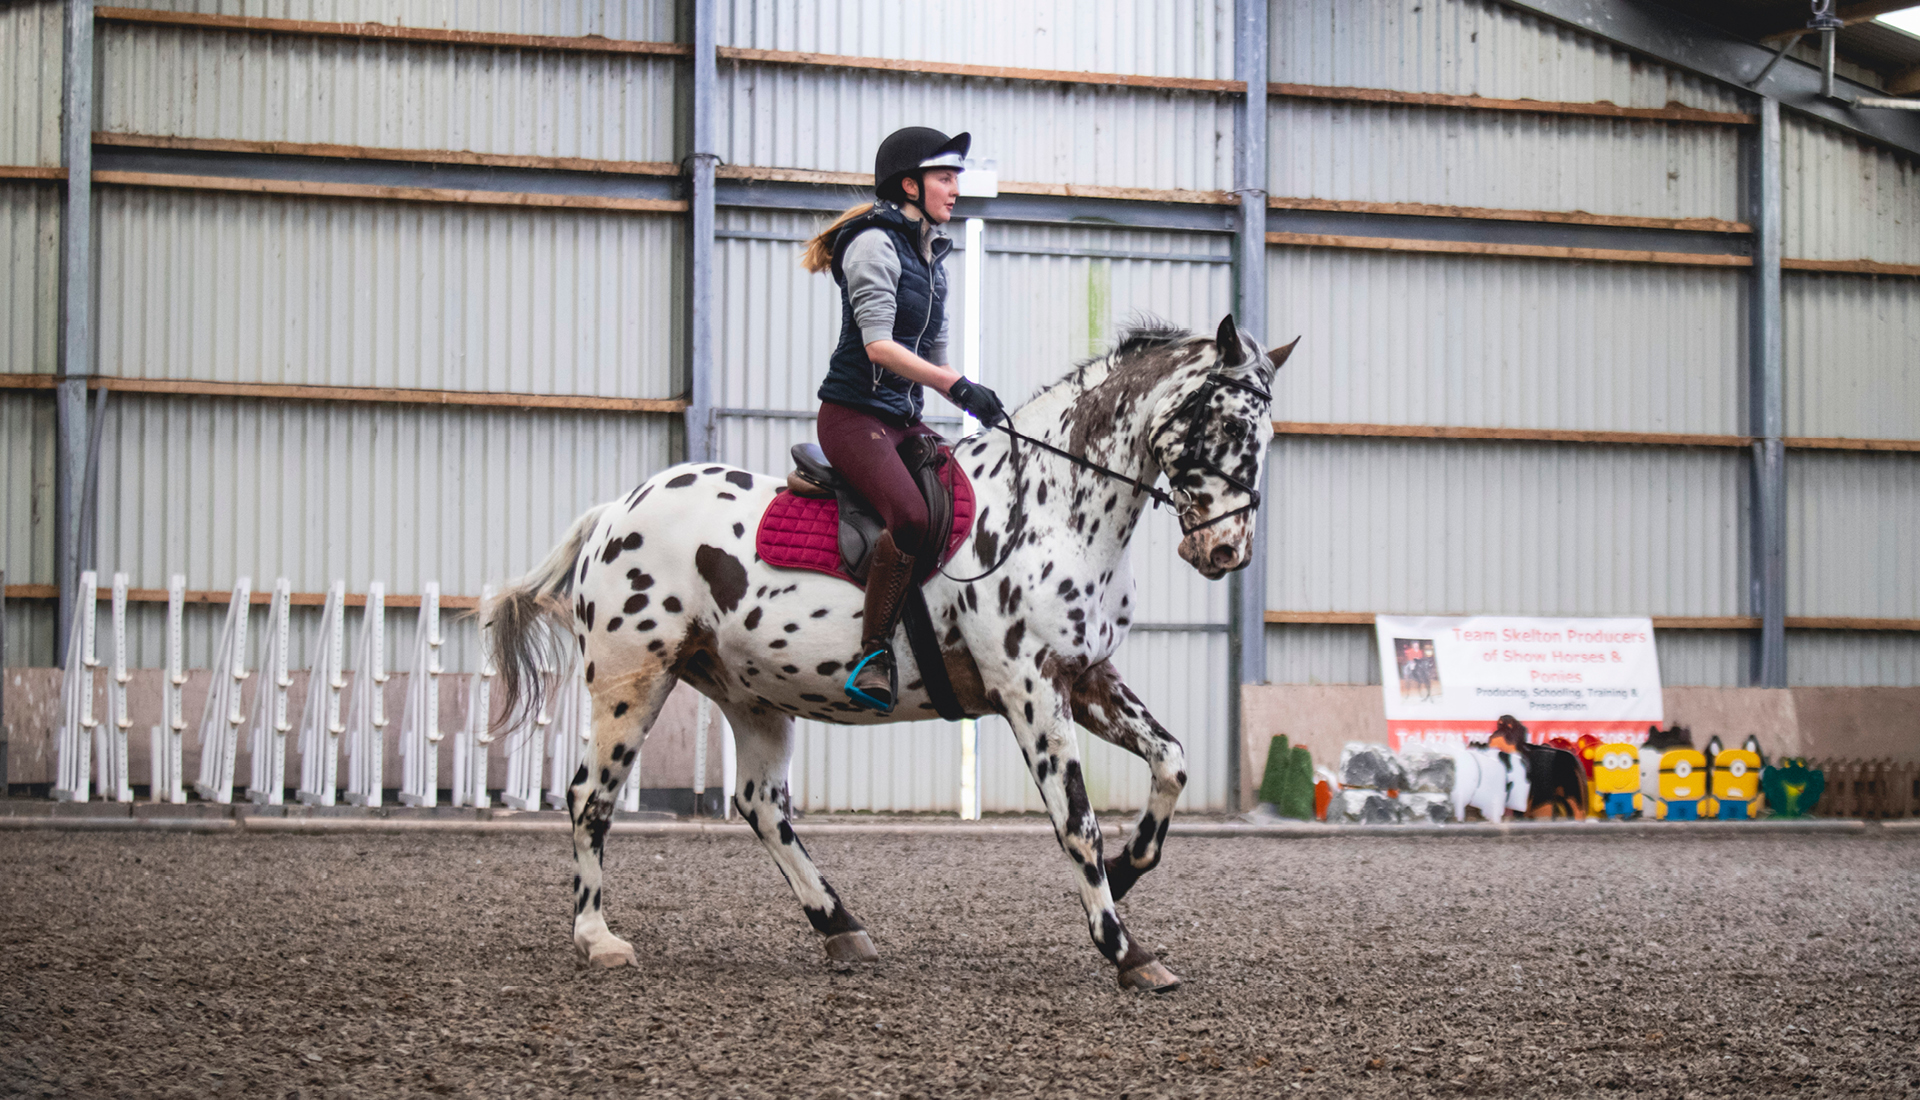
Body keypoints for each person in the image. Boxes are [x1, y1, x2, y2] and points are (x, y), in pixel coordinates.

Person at [799, 126, 1008, 713]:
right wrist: (954, 385)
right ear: (910, 185)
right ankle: (873, 655)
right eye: (945, 178)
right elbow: (880, 348)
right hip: (851, 418)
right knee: (913, 516)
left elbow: (934, 360)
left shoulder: (933, 257)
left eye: (957, 178)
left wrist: (972, 397)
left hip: (900, 419)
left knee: (962, 493)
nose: (955, 188)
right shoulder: (872, 244)